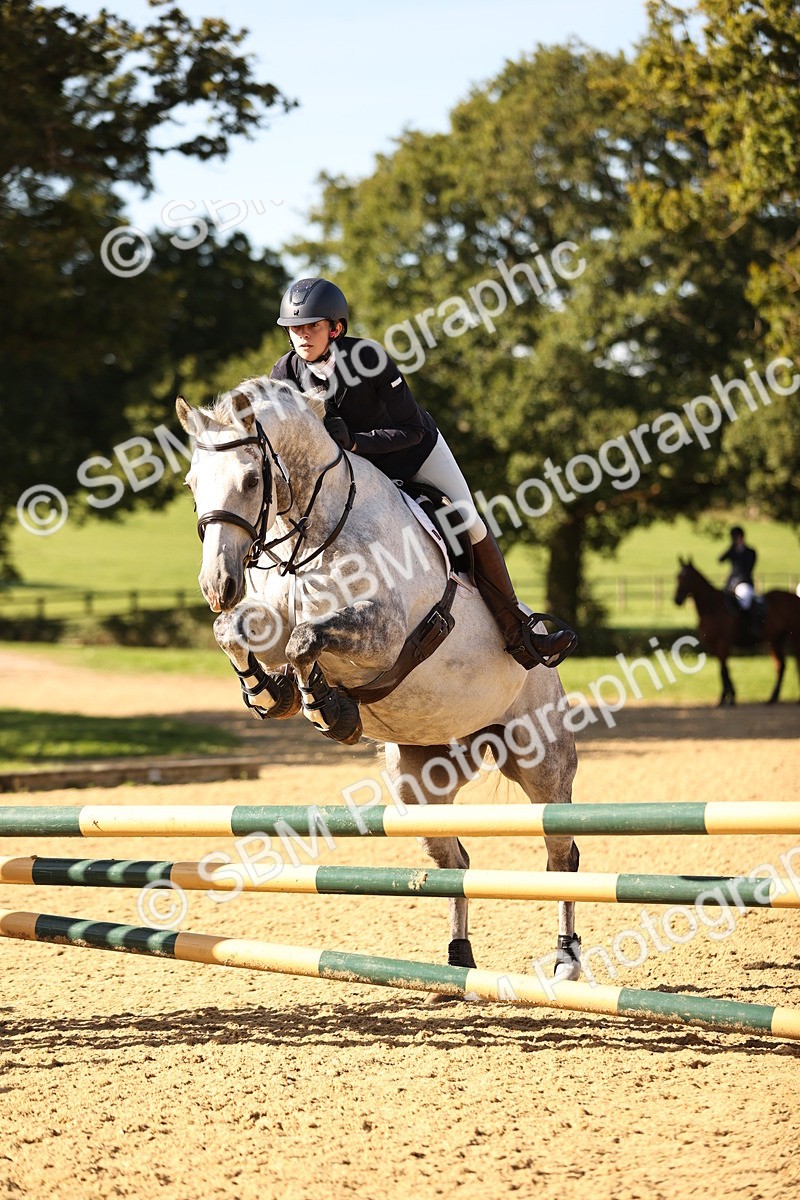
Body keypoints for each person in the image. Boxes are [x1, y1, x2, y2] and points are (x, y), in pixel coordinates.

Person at [269, 277, 577, 669]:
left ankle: (519, 632)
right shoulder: (285, 373)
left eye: (311, 326)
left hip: (415, 455)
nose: (301, 335)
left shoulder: (369, 359)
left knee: (468, 520)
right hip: (356, 474)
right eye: (294, 328)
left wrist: (357, 443)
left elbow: (411, 429)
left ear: (335, 328)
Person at [718, 526, 757, 612]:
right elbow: (720, 559)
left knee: (744, 601)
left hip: (744, 583)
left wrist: (739, 580)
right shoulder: (732, 551)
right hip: (730, 583)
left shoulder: (750, 552)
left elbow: (748, 569)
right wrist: (731, 548)